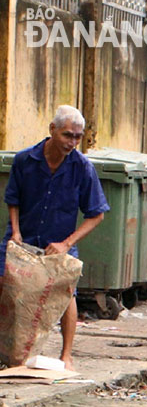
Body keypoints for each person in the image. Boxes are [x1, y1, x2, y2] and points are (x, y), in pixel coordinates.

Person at [0, 105, 110, 370]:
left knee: (67, 293)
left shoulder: (82, 168)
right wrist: (15, 231)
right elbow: (13, 199)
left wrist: (66, 244)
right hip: (23, 237)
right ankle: (7, 352)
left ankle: (67, 355)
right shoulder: (25, 160)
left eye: (77, 137)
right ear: (52, 130)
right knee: (3, 281)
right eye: (67, 135)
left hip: (58, 243)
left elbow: (97, 214)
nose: (72, 142)